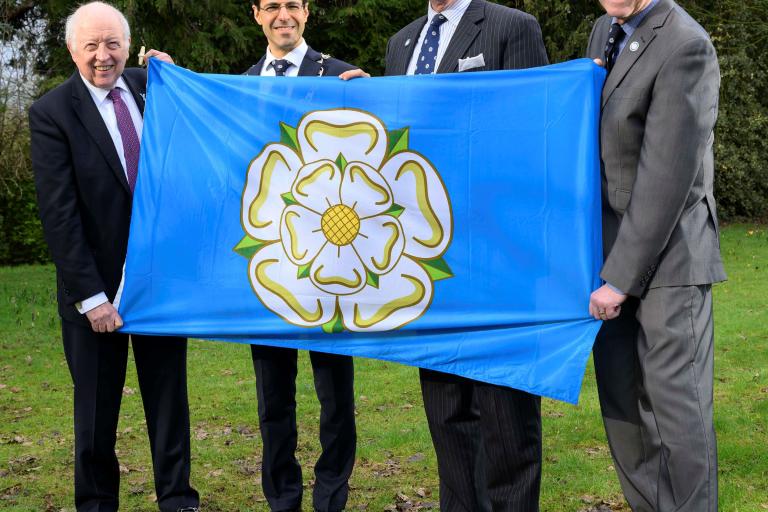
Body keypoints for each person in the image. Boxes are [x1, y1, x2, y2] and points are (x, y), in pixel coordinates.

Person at [28, 3, 199, 511]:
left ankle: (179, 500)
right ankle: (97, 505)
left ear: (129, 45)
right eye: (91, 46)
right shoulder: (51, 112)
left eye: (113, 44)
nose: (103, 57)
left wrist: (178, 79)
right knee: (96, 416)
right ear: (72, 51)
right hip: (96, 295)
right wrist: (92, 298)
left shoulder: (157, 88)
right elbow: (59, 215)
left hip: (159, 286)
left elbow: (211, 121)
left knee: (170, 406)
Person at [385, 1, 548, 511]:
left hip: (497, 258)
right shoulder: (402, 43)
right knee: (447, 415)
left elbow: (534, 132)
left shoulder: (511, 27)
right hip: (426, 264)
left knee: (505, 419)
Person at [586, 1, 724, 511]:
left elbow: (667, 177)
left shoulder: (686, 44)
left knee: (677, 419)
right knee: (623, 411)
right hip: (608, 257)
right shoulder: (606, 29)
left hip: (670, 262)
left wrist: (619, 279)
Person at [244, 2, 360, 511]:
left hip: (333, 261)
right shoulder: (239, 84)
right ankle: (282, 498)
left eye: (292, 4)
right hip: (269, 262)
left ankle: (331, 495)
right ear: (257, 15)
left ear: (307, 13)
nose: (283, 15)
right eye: (272, 6)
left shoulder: (341, 75)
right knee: (274, 398)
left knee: (335, 395)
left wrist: (375, 96)